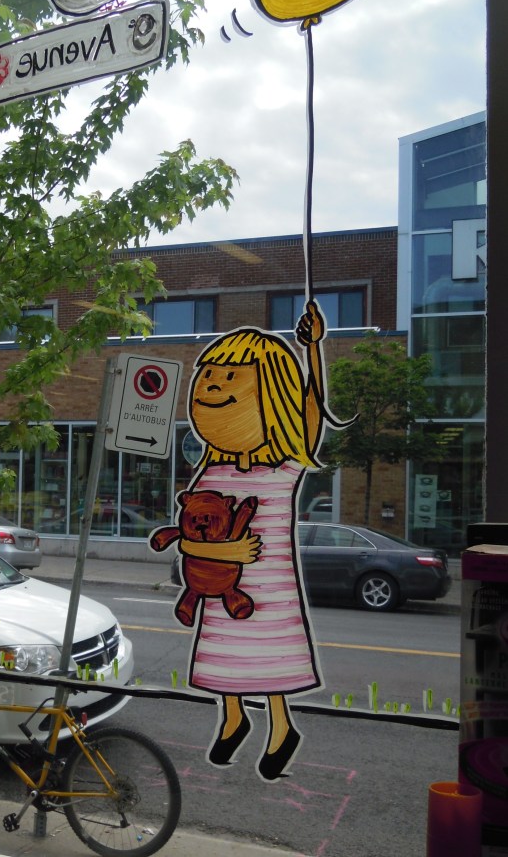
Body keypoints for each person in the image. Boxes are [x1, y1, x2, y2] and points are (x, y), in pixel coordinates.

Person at [178, 301, 329, 781]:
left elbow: (310, 414)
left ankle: (281, 726)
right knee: (225, 656)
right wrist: (222, 552)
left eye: (229, 378)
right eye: (208, 377)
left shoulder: (283, 469)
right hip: (219, 587)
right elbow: (187, 540)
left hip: (270, 593)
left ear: (274, 396)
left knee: (270, 657)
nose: (212, 386)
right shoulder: (209, 472)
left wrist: (312, 351)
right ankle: (233, 717)